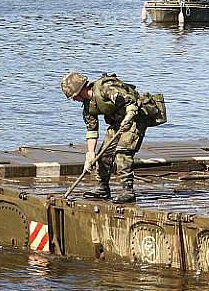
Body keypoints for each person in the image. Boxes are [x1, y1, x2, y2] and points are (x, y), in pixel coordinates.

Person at [60, 71, 148, 203]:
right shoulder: (88, 107)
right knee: (103, 155)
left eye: (74, 96)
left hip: (135, 118)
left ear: (80, 90)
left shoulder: (106, 88)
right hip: (118, 122)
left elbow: (131, 103)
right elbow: (92, 130)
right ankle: (102, 188)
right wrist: (90, 154)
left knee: (122, 152)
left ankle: (127, 191)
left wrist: (128, 117)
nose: (73, 99)